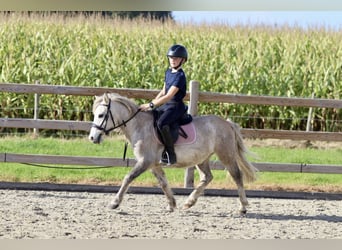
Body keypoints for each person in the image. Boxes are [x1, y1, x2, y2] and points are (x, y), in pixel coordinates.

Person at [140, 44, 188, 165]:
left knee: (161, 123)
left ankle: (170, 154)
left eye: (176, 58)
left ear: (182, 60)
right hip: (166, 104)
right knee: (152, 117)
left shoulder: (180, 76)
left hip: (175, 106)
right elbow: (163, 91)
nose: (173, 60)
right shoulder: (168, 72)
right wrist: (153, 103)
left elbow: (169, 96)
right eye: (171, 57)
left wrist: (151, 105)